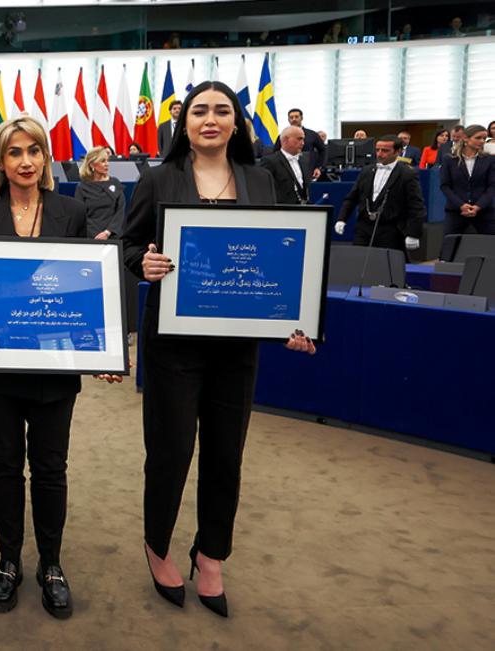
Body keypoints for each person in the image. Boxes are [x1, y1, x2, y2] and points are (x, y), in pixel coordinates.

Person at [122, 81, 316, 619]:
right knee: (171, 450)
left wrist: (294, 322)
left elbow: (280, 259)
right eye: (199, 111)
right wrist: (146, 264)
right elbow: (130, 245)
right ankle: (157, 544)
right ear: (183, 123)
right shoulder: (158, 178)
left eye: (222, 111)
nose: (210, 119)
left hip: (236, 346)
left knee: (226, 454)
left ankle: (211, 556)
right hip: (173, 344)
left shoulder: (261, 178)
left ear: (237, 123)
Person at [0, 117, 124, 619]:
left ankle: (51, 563)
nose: (26, 161)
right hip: (1, 369)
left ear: (46, 159)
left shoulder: (72, 213)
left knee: (51, 468)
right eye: (14, 153)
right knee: (5, 465)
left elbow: (82, 293)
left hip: (55, 367)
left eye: (34, 151)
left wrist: (103, 346)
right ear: (0, 161)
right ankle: (9, 560)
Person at [335, 135, 426, 253]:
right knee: (359, 263)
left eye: (385, 151)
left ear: (398, 151)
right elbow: (352, 198)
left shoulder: (407, 174)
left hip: (391, 230)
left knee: (386, 267)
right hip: (364, 228)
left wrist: (414, 233)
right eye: (377, 150)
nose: (379, 154)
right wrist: (342, 219)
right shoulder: (366, 171)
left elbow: (416, 206)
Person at [439, 124, 495, 255]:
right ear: (465, 138)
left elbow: (492, 186)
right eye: (478, 138)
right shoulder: (449, 159)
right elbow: (445, 186)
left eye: (484, 138)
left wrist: (478, 206)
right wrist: (461, 205)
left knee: (491, 246)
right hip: (455, 210)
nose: (482, 141)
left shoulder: (489, 160)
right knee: (448, 248)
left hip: (484, 211)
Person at [74, 146, 126, 238]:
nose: (107, 164)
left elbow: (120, 211)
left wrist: (107, 232)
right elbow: (79, 215)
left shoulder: (115, 183)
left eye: (107, 160)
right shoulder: (82, 187)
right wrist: (95, 235)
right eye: (103, 161)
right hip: (90, 237)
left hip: (113, 236)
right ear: (92, 165)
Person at [260, 125, 310, 204]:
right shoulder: (270, 161)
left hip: (304, 209)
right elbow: (263, 189)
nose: (303, 143)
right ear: (285, 140)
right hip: (282, 210)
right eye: (299, 139)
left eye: (303, 139)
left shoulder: (304, 160)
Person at [276, 108, 326, 177]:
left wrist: (318, 167)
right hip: (288, 172)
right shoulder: (283, 136)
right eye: (291, 117)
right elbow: (276, 153)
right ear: (288, 120)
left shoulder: (312, 134)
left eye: (296, 117)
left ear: (301, 118)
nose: (294, 119)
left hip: (308, 171)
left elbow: (323, 150)